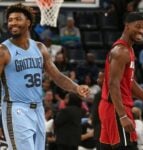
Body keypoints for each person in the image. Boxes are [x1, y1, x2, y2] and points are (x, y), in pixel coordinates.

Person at [0, 3, 90, 150]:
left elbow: (57, 76)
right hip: (16, 109)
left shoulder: (40, 48)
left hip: (38, 109)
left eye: (17, 19)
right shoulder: (3, 51)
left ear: (28, 22)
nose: (13, 23)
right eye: (10, 20)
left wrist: (76, 87)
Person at [98, 12, 143, 150]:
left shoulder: (129, 50)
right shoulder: (121, 51)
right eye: (138, 26)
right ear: (127, 26)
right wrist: (122, 116)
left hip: (115, 107)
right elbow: (113, 84)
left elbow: (130, 83)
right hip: (115, 108)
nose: (141, 31)